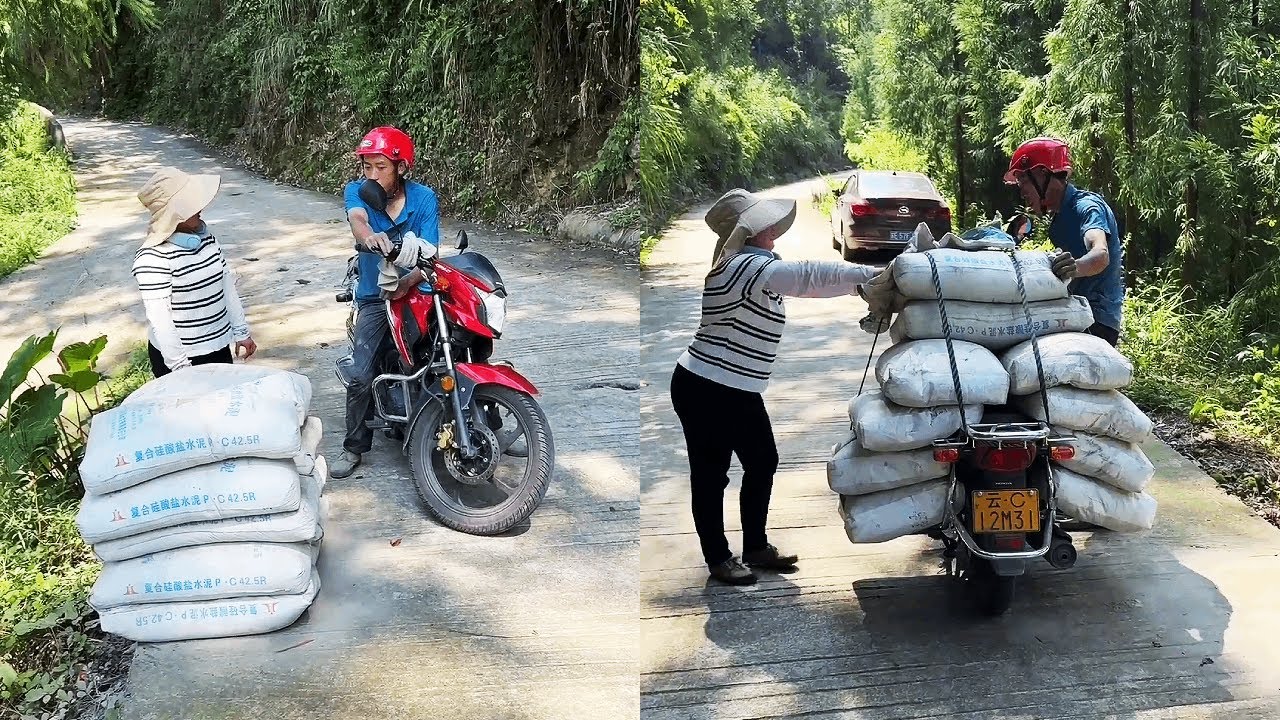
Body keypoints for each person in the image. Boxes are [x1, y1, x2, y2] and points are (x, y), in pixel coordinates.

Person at [670, 188, 883, 585]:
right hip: (709, 385)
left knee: (761, 461)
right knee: (712, 473)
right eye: (765, 223)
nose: (773, 229)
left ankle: (754, 547)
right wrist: (873, 276)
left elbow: (804, 277)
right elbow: (811, 277)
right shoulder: (745, 266)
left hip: (727, 385)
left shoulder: (747, 264)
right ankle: (718, 558)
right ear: (749, 232)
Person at [331, 126, 441, 479]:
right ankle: (353, 446)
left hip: (416, 291)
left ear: (402, 167)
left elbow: (431, 255)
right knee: (361, 373)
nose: (373, 175)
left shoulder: (424, 199)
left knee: (454, 346)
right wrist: (369, 237)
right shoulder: (357, 192)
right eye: (368, 167)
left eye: (382, 167)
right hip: (374, 297)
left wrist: (407, 282)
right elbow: (357, 220)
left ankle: (491, 414)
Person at [132, 167, 256, 378]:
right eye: (190, 203)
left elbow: (226, 286)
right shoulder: (152, 259)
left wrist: (241, 332)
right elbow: (160, 319)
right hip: (180, 359)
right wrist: (180, 368)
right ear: (174, 214)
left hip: (217, 346)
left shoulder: (206, 239)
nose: (200, 208)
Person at [1003, 137, 1126, 346]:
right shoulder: (1059, 221)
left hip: (1097, 321)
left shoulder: (1086, 207)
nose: (1022, 190)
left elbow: (1100, 254)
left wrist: (1075, 267)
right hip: (1076, 314)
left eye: (1024, 180)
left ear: (1043, 174)